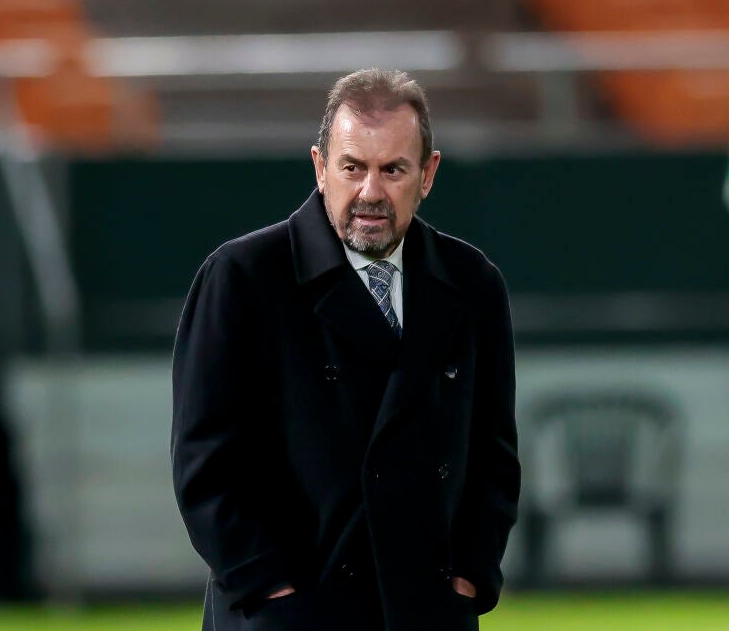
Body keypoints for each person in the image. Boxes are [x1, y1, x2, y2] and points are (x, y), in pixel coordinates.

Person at [172, 68, 520, 631]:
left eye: (393, 170)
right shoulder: (242, 278)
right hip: (289, 616)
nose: (371, 192)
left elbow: (494, 457)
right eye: (353, 167)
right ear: (320, 166)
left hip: (425, 615)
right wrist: (270, 588)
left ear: (428, 173)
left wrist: (469, 577)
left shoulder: (473, 283)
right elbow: (204, 464)